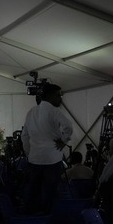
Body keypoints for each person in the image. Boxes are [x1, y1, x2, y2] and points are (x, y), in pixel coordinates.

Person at [21, 83, 73, 214]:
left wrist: (29, 153)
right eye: (58, 95)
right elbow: (68, 127)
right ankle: (48, 221)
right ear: (51, 96)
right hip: (51, 160)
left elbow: (24, 136)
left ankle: (32, 221)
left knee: (33, 193)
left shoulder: (31, 112)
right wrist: (64, 140)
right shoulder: (55, 111)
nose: (60, 99)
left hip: (34, 160)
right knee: (50, 194)